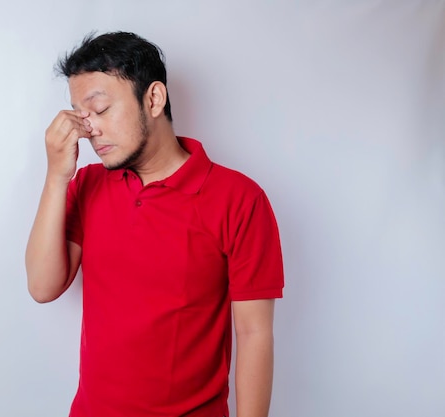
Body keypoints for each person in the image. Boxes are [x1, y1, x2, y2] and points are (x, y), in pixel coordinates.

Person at [25, 31, 284, 417]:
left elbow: (253, 335)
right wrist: (56, 176)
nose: (89, 128)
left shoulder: (240, 199)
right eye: (81, 115)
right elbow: (43, 287)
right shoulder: (89, 184)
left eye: (101, 109)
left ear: (154, 99)